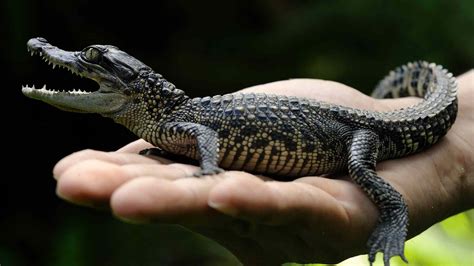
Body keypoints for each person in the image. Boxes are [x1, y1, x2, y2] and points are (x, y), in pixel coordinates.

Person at [52, 70, 474, 265]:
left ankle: (394, 213)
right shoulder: (168, 126)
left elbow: (205, 139)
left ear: (135, 88)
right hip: (341, 125)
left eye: (93, 60)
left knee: (360, 169)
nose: (74, 61)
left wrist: (209, 166)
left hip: (357, 132)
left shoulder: (174, 123)